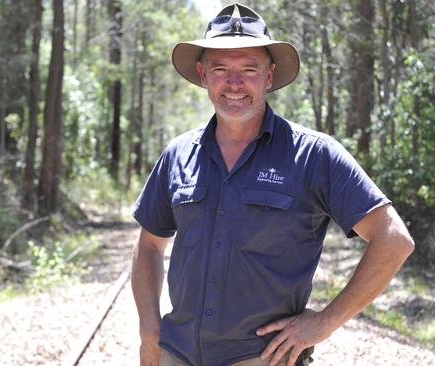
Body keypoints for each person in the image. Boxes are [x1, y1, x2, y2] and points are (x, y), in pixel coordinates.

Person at [131, 3, 415, 366]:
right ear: (203, 75)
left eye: (249, 69)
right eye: (221, 69)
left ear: (269, 76)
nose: (234, 83)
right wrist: (149, 331)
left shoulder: (314, 155)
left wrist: (324, 323)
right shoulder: (178, 154)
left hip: (262, 359)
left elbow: (393, 240)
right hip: (178, 355)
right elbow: (148, 247)